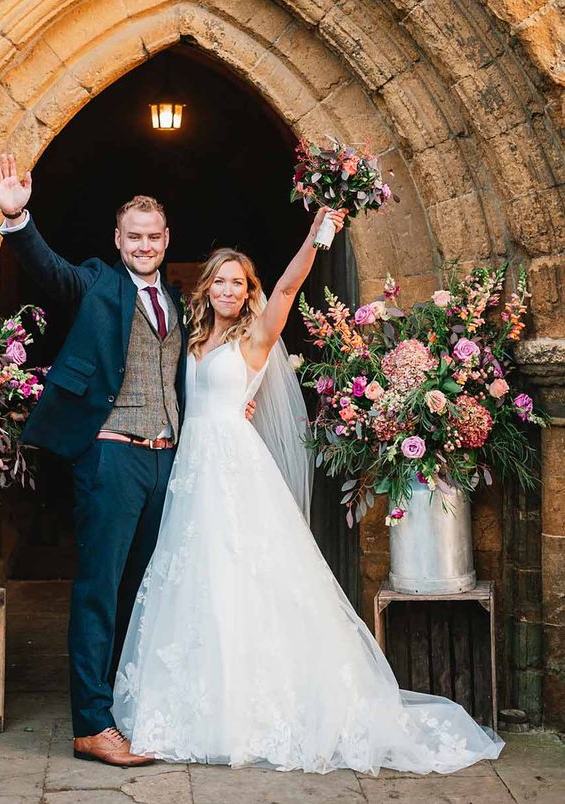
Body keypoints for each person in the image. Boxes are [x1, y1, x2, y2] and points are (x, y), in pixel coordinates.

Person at [113, 210, 505, 775]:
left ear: (249, 292)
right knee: (196, 580)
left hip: (235, 471)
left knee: (247, 577)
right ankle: (207, 705)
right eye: (218, 280)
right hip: (191, 472)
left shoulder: (257, 337)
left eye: (237, 282)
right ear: (206, 288)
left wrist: (316, 233)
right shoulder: (192, 337)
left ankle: (262, 710)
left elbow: (292, 284)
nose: (227, 289)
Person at [0, 154, 189, 767]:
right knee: (99, 590)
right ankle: (91, 725)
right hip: (110, 456)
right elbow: (49, 270)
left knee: (145, 589)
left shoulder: (179, 302)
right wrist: (18, 218)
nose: (144, 246)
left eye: (154, 237)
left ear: (165, 240)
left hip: (166, 460)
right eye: (134, 236)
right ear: (117, 239)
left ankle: (125, 707)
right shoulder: (98, 282)